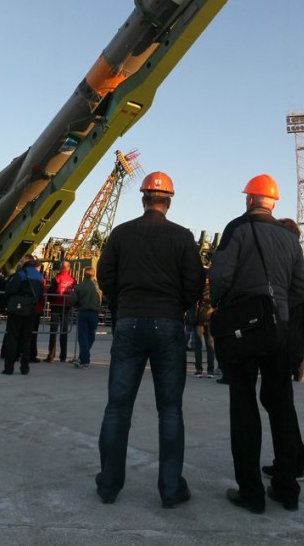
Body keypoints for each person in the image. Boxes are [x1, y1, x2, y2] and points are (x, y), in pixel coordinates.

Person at [95, 171, 204, 508]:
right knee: (170, 410)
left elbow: (104, 275)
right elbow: (194, 283)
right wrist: (176, 307)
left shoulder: (121, 233)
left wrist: (123, 304)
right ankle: (171, 490)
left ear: (143, 198)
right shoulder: (182, 237)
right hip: (168, 324)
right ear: (168, 200)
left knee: (117, 408)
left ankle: (109, 486)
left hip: (129, 322)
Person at [210, 174, 304, 514]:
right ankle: (287, 488)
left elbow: (220, 276)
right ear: (273, 202)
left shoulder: (237, 228)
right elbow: (302, 288)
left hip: (245, 329)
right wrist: (278, 307)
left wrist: (224, 304)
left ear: (249, 199)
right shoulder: (289, 238)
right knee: (281, 406)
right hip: (279, 330)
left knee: (243, 406)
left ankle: (251, 493)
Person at [260, 217, 304, 483]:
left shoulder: (288, 274)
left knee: (278, 403)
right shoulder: (295, 268)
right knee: (280, 402)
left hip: (284, 342)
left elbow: (295, 310)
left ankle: (292, 464)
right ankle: (297, 458)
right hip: (291, 343)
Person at [3, 255, 45, 376]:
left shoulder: (21, 274)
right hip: (31, 309)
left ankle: (9, 367)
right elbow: (41, 294)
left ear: (25, 263)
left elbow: (10, 289)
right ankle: (25, 367)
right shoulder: (39, 276)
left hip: (17, 309)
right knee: (26, 339)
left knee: (13, 336)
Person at [67, 265, 102, 367]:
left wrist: (77, 304)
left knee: (83, 337)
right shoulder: (98, 287)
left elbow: (71, 300)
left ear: (84, 275)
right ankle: (83, 358)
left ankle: (84, 359)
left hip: (83, 312)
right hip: (94, 313)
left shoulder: (79, 286)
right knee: (91, 336)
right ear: (94, 274)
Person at [45, 260, 76, 362]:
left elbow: (51, 292)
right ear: (69, 268)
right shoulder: (73, 280)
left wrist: (50, 301)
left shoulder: (56, 278)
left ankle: (51, 355)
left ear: (60, 267)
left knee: (53, 331)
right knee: (64, 331)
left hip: (56, 306)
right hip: (66, 307)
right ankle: (63, 356)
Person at [193, 274, 216, 378]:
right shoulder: (214, 286)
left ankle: (199, 370)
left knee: (198, 345)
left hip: (199, 318)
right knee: (210, 345)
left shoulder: (197, 286)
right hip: (210, 317)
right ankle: (210, 370)